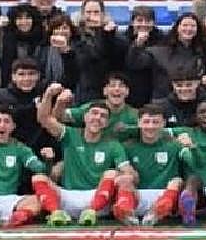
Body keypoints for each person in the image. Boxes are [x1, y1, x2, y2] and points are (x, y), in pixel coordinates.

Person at [36, 83, 135, 226]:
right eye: (94, 113)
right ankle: (56, 213)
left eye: (103, 116)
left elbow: (127, 172)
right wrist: (49, 94)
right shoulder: (70, 134)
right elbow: (44, 119)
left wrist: (126, 178)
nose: (97, 118)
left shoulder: (113, 145)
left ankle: (91, 212)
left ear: (106, 123)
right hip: (67, 198)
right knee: (39, 178)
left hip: (97, 200)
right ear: (85, 117)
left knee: (111, 174)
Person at [127, 104, 187, 226]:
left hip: (166, 197)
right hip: (137, 197)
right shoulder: (127, 147)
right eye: (146, 122)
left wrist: (191, 148)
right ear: (139, 123)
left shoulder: (175, 146)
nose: (151, 126)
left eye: (155, 122)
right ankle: (127, 215)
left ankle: (155, 214)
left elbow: (194, 165)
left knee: (177, 180)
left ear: (163, 123)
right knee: (123, 178)